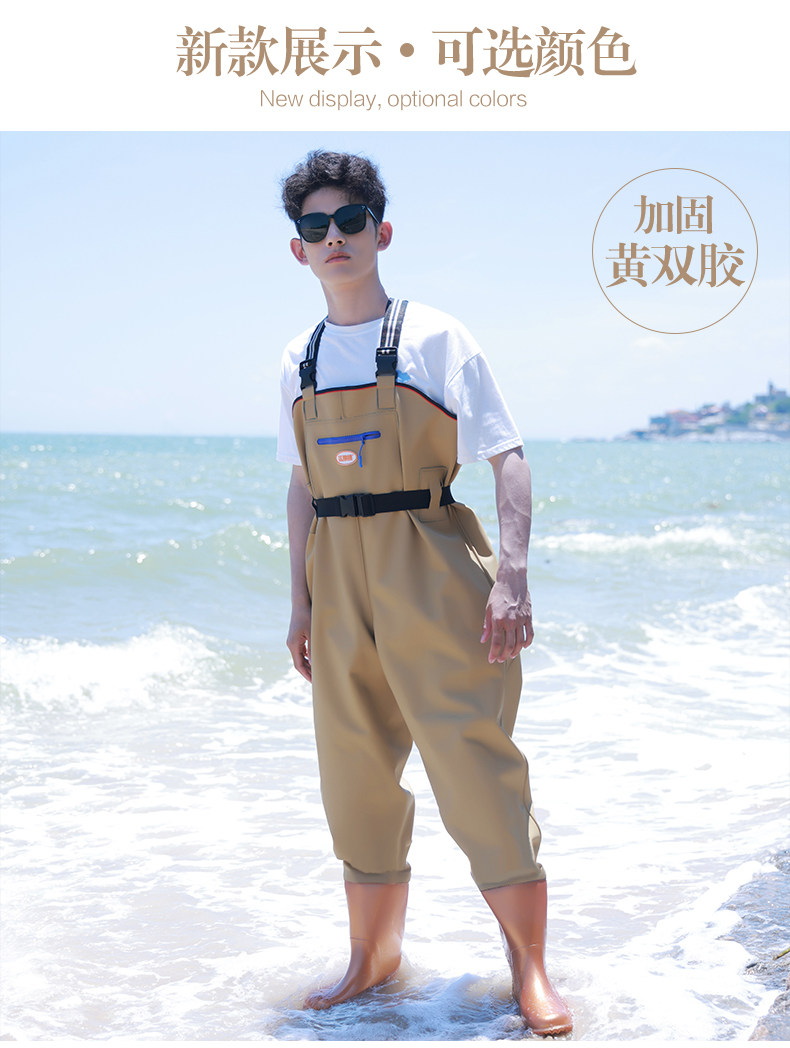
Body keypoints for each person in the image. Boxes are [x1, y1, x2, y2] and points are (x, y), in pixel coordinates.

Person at [276, 149, 572, 1036]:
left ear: (381, 232)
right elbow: (301, 484)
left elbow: (507, 456)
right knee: (353, 774)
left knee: (474, 765)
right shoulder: (298, 357)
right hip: (337, 574)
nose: (334, 237)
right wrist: (299, 602)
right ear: (298, 248)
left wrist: (512, 577)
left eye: (350, 220)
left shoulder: (438, 337)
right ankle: (372, 960)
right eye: (316, 226)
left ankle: (530, 972)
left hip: (430, 558)